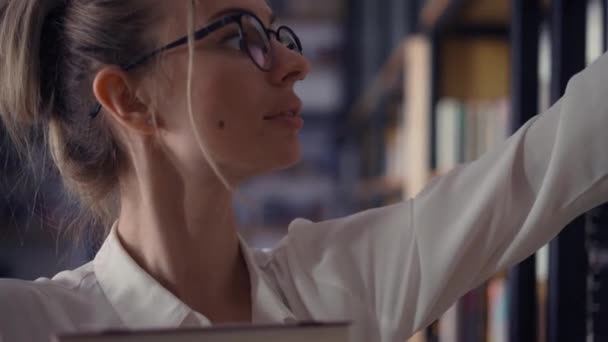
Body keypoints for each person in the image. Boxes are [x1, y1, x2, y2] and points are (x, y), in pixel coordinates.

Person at [0, 0, 607, 341]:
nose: (294, 63)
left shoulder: (340, 285)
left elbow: (564, 152)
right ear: (130, 100)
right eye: (239, 37)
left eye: (276, 33)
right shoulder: (29, 324)